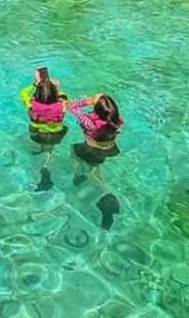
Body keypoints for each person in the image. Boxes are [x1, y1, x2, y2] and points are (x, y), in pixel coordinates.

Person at [68, 93, 123, 229]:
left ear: (97, 109)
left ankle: (79, 175)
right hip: (107, 149)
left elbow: (71, 106)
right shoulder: (117, 121)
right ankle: (106, 194)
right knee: (95, 168)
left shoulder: (90, 122)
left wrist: (88, 100)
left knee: (74, 151)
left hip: (91, 151)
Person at [20, 66, 69, 191]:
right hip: (55, 134)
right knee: (49, 150)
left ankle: (37, 149)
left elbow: (23, 93)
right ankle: (46, 166)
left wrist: (34, 84)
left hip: (37, 134)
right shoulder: (62, 105)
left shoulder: (31, 104)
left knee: (35, 141)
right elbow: (64, 97)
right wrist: (57, 88)